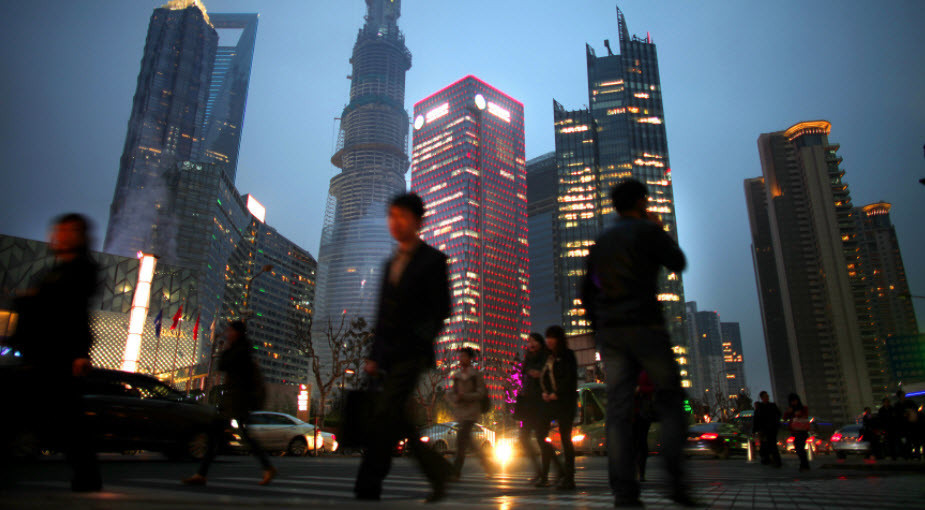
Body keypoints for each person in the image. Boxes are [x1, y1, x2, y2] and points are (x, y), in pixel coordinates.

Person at [581, 179, 693, 507]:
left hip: (611, 333)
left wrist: (598, 327)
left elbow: (586, 291)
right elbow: (678, 262)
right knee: (670, 401)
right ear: (641, 202)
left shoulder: (602, 241)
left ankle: (624, 493)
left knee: (617, 412)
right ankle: (676, 483)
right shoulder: (646, 231)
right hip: (646, 324)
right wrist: (659, 228)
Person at [354, 193, 454, 502]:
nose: (395, 222)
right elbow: (382, 318)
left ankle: (368, 484)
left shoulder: (433, 261)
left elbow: (442, 310)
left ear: (418, 221)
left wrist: (418, 341)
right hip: (387, 356)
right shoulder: (389, 264)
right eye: (392, 216)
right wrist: (373, 356)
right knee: (396, 417)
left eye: (403, 216)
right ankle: (438, 470)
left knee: (386, 411)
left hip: (413, 354)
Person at [9, 213, 102, 492]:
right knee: (64, 416)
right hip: (40, 353)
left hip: (58, 354)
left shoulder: (81, 270)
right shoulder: (55, 270)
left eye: (68, 231)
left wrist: (80, 352)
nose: (60, 236)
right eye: (59, 230)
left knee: (67, 417)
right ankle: (87, 474)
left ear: (80, 236)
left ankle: (87, 475)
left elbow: (76, 312)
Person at [183, 320, 275, 486]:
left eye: (230, 331)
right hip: (234, 400)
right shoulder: (242, 349)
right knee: (222, 435)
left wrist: (226, 348)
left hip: (237, 400)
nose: (227, 333)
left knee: (231, 435)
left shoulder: (240, 351)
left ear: (237, 333)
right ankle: (201, 474)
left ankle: (267, 467)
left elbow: (223, 365)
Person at [539, 325, 578, 490]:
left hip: (566, 402)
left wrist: (557, 393)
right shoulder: (549, 357)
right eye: (547, 337)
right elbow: (545, 377)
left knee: (566, 438)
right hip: (552, 402)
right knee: (541, 433)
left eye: (552, 337)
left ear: (559, 339)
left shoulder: (568, 355)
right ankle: (557, 470)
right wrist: (546, 392)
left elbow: (570, 378)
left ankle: (569, 477)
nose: (549, 340)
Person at [516, 332, 556, 484]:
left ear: (540, 342)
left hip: (542, 402)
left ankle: (544, 475)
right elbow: (524, 376)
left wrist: (539, 374)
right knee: (524, 438)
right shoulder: (528, 359)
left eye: (534, 341)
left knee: (541, 437)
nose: (531, 344)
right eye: (529, 341)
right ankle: (543, 471)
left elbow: (550, 375)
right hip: (528, 404)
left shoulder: (546, 357)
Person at [449, 347, 495, 479]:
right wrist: (455, 398)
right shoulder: (457, 376)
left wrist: (465, 396)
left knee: (461, 439)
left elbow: (481, 393)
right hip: (461, 412)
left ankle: (456, 471)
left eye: (464, 356)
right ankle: (487, 465)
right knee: (468, 441)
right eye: (460, 356)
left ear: (470, 359)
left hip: (471, 411)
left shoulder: (475, 375)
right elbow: (452, 393)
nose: (461, 359)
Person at [632, 371, 656, 482]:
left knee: (641, 441)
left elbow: (654, 388)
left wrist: (640, 389)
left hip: (642, 413)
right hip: (631, 413)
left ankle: (641, 471)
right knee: (635, 442)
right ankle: (637, 471)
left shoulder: (645, 373)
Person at [752, 391, 782, 467]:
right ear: (762, 398)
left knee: (772, 445)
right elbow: (756, 419)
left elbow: (778, 415)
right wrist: (755, 430)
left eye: (767, 396)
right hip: (763, 430)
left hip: (772, 429)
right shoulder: (760, 407)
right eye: (765, 396)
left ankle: (775, 460)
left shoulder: (772, 406)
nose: (767, 397)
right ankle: (767, 459)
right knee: (765, 445)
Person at [783, 393, 810, 472]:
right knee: (798, 448)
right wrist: (788, 412)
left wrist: (798, 414)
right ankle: (804, 464)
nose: (793, 402)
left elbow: (805, 417)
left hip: (802, 431)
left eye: (795, 400)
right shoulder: (790, 409)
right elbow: (784, 418)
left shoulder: (803, 408)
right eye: (792, 401)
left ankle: (804, 464)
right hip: (795, 431)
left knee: (800, 448)